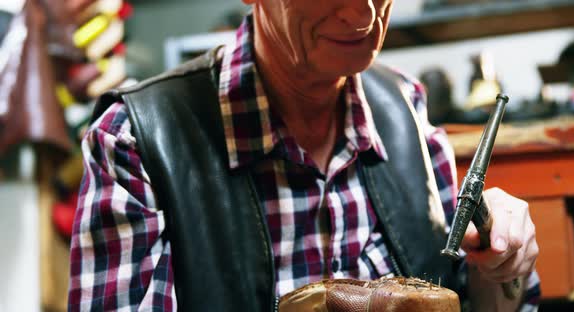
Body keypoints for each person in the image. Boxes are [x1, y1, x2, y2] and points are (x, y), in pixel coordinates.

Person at [68, 0, 540, 311]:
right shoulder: (136, 141)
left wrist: (500, 269)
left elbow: (478, 299)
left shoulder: (403, 111)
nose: (364, 17)